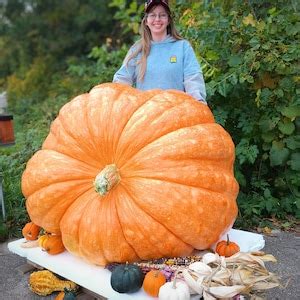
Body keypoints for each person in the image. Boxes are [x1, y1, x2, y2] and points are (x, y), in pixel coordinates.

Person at [113, 0, 207, 104]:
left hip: (178, 114)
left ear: (168, 20)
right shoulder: (137, 49)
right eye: (152, 15)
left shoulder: (183, 47)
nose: (157, 19)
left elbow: (193, 80)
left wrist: (199, 103)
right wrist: (118, 102)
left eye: (162, 15)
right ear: (146, 21)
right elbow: (122, 81)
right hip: (145, 116)